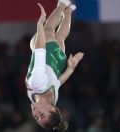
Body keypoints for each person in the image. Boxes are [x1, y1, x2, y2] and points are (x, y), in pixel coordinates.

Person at [25, 0, 84, 131]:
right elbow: (40, 51)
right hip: (47, 54)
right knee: (49, 29)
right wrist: (40, 25)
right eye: (41, 114)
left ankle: (68, 11)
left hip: (58, 63)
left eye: (36, 117)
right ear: (52, 108)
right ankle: (62, 4)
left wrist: (69, 69)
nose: (35, 114)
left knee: (61, 37)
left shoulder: (50, 99)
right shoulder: (38, 84)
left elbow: (57, 83)